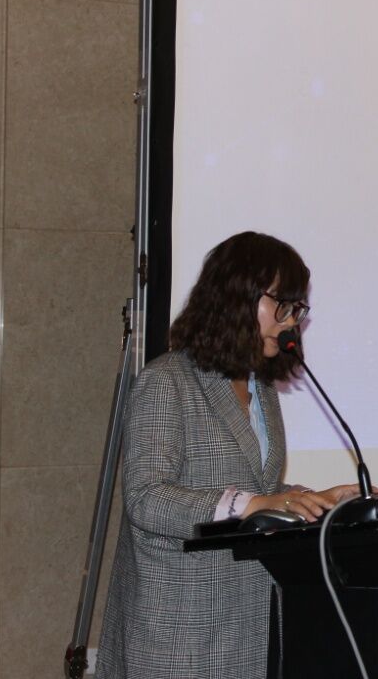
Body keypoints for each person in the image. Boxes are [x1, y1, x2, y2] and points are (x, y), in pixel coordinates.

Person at [96, 231, 359, 679]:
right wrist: (256, 503)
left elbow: (252, 487)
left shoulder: (261, 388)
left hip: (247, 624)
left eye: (297, 308)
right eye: (283, 305)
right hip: (178, 632)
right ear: (237, 297)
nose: (291, 321)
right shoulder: (167, 381)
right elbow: (146, 498)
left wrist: (308, 499)